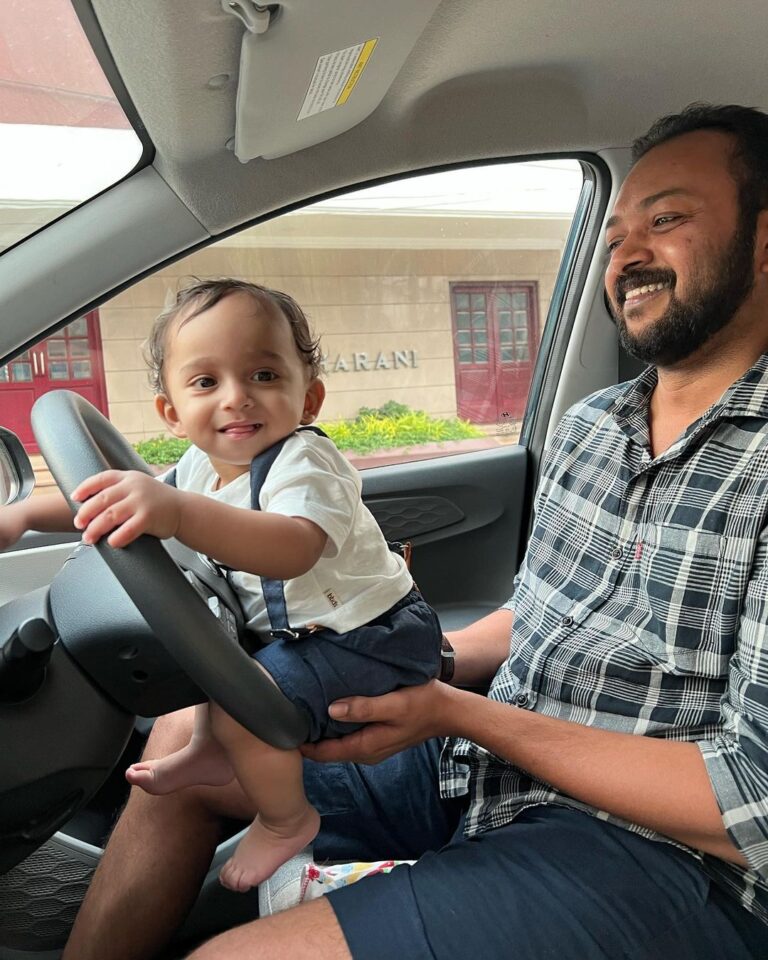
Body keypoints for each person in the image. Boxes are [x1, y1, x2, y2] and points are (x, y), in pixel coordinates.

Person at [58, 102, 768, 960]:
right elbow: (545, 614)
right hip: (493, 763)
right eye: (616, 234)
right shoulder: (592, 424)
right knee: (186, 735)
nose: (626, 254)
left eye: (668, 219)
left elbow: (753, 803)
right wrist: (415, 667)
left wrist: (457, 715)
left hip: (667, 858)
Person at [0, 278, 443, 894]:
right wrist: (24, 517)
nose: (237, 399)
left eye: (263, 375)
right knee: (213, 662)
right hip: (305, 634)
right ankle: (213, 749)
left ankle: (286, 818)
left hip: (369, 638)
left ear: (308, 398)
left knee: (245, 702)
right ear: (172, 412)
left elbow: (292, 547)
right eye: (207, 382)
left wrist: (177, 513)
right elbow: (117, 497)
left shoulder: (306, 463)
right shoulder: (201, 467)